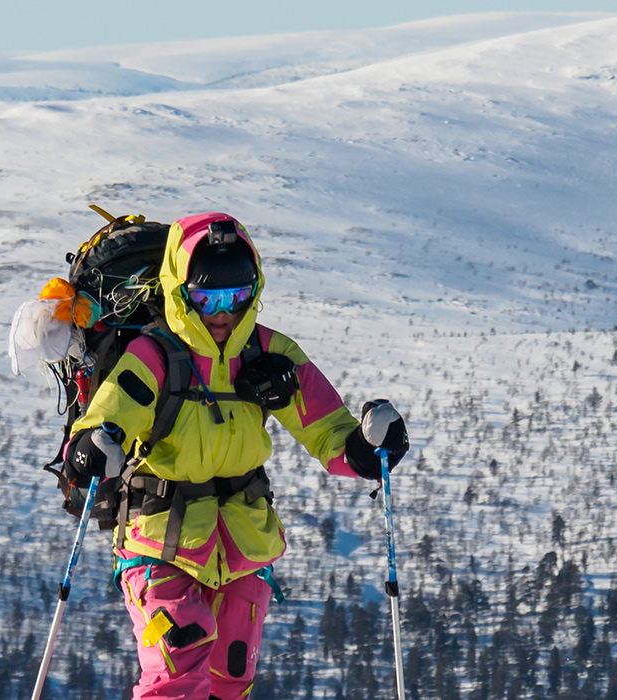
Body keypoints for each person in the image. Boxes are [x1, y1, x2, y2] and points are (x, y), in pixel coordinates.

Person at [57, 212, 409, 699]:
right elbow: (115, 411)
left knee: (231, 677)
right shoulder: (155, 354)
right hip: (159, 539)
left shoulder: (268, 354)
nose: (222, 313)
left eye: (236, 297)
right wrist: (93, 445)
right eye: (206, 299)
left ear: (253, 290)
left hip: (243, 545)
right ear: (181, 292)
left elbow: (327, 430)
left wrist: (369, 450)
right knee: (178, 665)